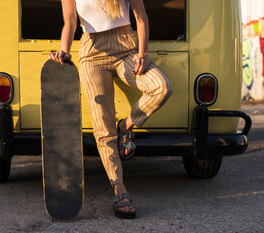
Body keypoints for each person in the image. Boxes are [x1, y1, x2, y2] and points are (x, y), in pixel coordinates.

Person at [49, 0, 172, 219]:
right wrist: (64, 51)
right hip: (92, 53)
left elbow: (141, 16)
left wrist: (143, 52)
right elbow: (69, 21)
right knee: (103, 127)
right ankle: (119, 189)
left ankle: (126, 125)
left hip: (126, 46)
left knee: (161, 87)